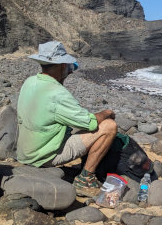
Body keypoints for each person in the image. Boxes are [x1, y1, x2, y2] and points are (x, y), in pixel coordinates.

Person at [16, 41, 117, 197]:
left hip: (25, 152)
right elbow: (90, 123)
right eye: (67, 67)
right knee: (109, 126)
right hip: (43, 156)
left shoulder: (30, 82)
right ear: (63, 66)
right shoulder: (58, 93)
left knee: (75, 124)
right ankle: (85, 179)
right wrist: (106, 112)